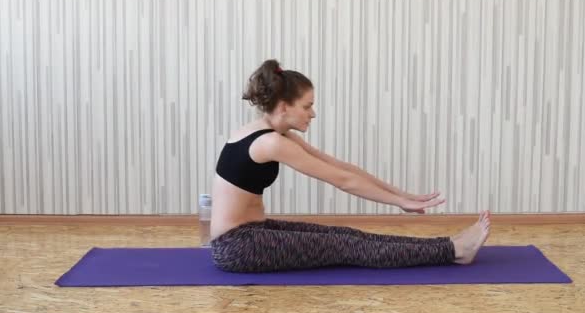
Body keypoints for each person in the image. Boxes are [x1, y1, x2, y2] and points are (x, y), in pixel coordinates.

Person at [209, 59, 491, 273]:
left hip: (250, 235)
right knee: (349, 247)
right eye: (307, 106)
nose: (313, 113)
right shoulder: (270, 143)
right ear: (284, 107)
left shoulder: (270, 134)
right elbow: (342, 181)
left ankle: (450, 246)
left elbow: (341, 167)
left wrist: (402, 195)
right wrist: (397, 202)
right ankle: (455, 250)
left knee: (345, 235)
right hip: (238, 247)